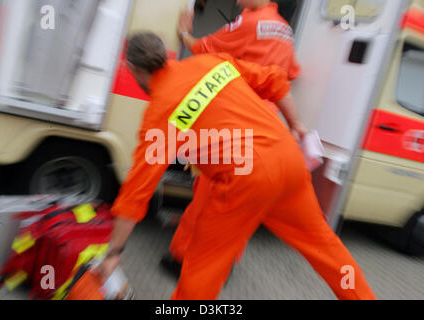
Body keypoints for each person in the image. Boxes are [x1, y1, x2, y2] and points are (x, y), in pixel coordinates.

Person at [97, 32, 377, 300]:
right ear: (165, 53)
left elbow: (136, 194)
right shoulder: (213, 63)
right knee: (326, 248)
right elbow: (275, 81)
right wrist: (297, 126)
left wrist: (113, 254)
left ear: (133, 68)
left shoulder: (160, 114)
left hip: (246, 179)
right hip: (288, 160)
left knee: (204, 266)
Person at [163, 0, 306, 274]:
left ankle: (183, 259)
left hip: (237, 123)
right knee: (238, 203)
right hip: (266, 127)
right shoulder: (285, 30)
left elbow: (204, 49)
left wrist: (183, 33)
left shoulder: (249, 22)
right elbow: (293, 72)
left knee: (208, 195)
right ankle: (222, 264)